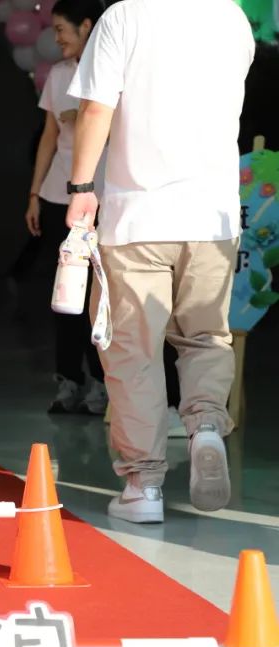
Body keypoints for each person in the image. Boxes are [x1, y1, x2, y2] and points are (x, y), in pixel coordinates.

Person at [66, 0, 255, 522]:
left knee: (133, 351)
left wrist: (80, 188)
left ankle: (143, 486)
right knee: (205, 337)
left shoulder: (124, 17)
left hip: (138, 218)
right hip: (212, 219)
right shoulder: (232, 18)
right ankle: (206, 426)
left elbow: (96, 110)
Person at [24, 0, 108, 415]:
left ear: (86, 25)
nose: (55, 38)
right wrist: (34, 194)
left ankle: (101, 384)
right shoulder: (58, 75)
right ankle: (68, 379)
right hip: (60, 197)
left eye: (61, 29)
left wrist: (89, 118)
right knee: (64, 295)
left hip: (103, 197)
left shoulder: (112, 70)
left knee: (98, 296)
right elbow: (49, 136)